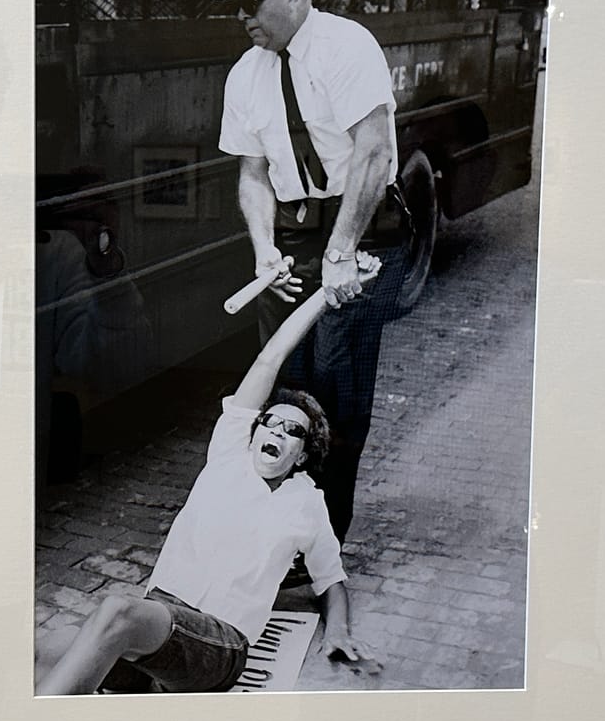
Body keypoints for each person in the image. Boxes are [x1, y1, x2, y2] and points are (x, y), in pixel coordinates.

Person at [35, 275, 379, 695]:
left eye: (293, 429)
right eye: (269, 421)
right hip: (157, 631)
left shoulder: (306, 504)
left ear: (304, 454)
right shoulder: (227, 459)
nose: (276, 430)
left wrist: (337, 633)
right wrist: (322, 296)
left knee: (117, 611)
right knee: (44, 649)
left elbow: (330, 578)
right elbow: (268, 361)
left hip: (218, 647)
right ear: (254, 432)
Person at [213, 0, 411, 540]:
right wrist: (263, 251)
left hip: (364, 229)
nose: (243, 17)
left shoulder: (345, 46)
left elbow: (374, 152)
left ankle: (323, 541)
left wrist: (343, 250)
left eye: (253, 1)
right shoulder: (245, 75)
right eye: (236, 6)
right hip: (295, 237)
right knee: (282, 385)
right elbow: (252, 174)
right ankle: (277, 530)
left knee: (336, 383)